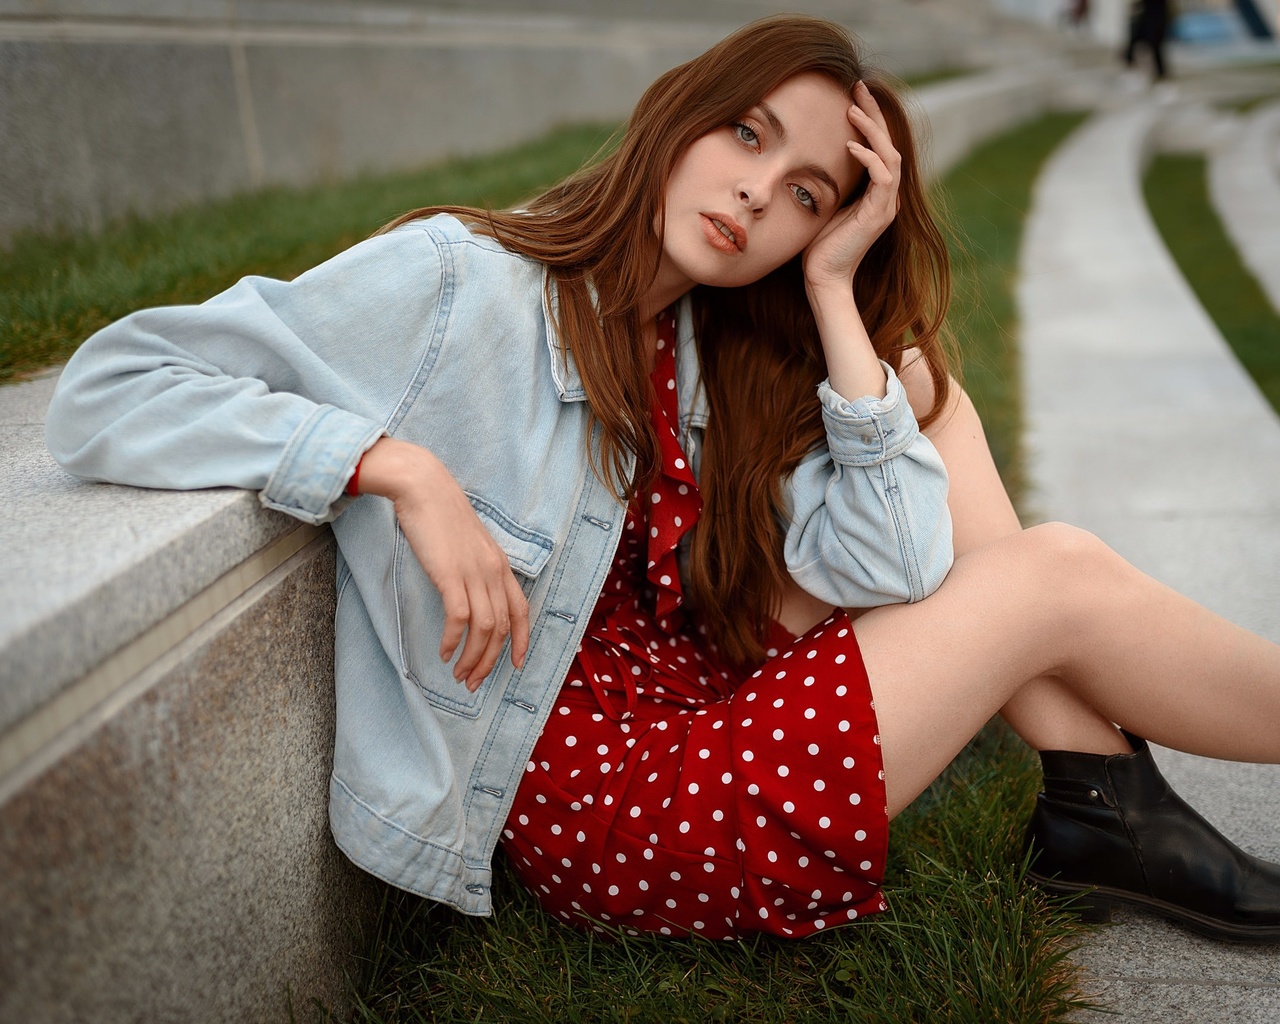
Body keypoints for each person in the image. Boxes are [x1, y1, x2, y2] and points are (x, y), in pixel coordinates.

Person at [45, 15, 1280, 943]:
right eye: (748, 136)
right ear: (679, 114)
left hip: (692, 710)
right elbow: (116, 384)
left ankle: (1097, 802)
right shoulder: (459, 281)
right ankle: (1103, 804)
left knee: (917, 394)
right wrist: (396, 468)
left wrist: (837, 294)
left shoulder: (700, 349)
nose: (757, 192)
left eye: (807, 195)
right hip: (618, 811)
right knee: (1051, 574)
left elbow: (899, 564)